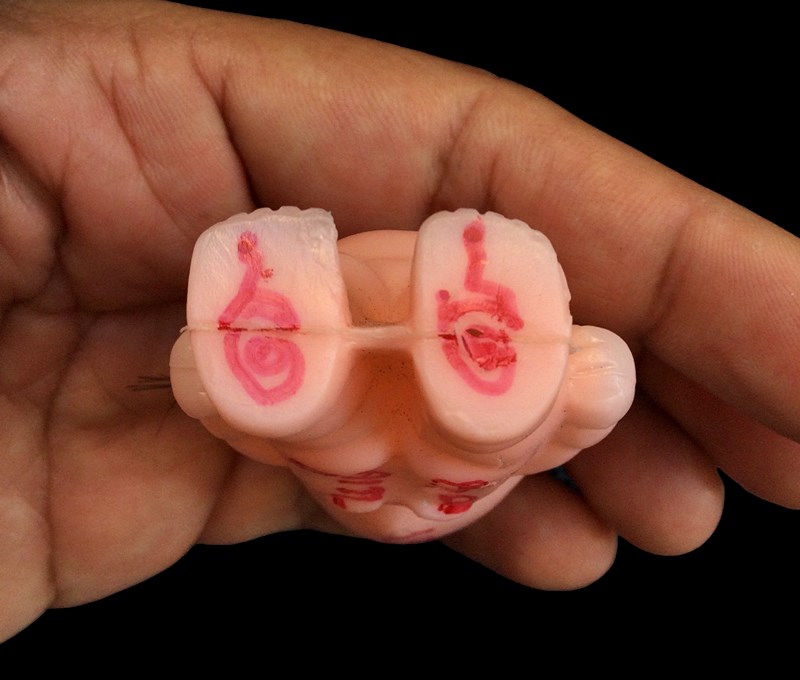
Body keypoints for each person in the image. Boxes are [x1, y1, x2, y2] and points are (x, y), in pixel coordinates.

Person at [1, 1, 797, 648]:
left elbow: (581, 406)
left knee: (465, 419)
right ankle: (353, 378)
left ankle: (346, 380)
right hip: (404, 418)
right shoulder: (503, 434)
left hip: (388, 423)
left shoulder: (301, 444)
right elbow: (576, 412)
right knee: (466, 420)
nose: (396, 518)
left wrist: (591, 384)